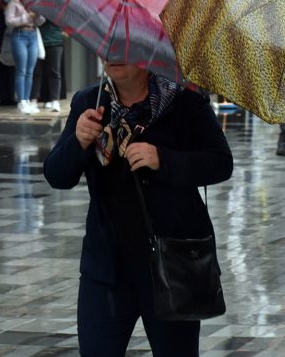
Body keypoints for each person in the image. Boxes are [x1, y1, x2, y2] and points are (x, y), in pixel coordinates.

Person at [43, 63, 233, 356]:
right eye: (112, 47)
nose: (116, 56)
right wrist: (78, 142)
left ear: (147, 54)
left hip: (171, 267)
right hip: (107, 267)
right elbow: (57, 175)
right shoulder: (89, 103)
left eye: (127, 47)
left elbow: (221, 162)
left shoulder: (185, 102)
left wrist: (163, 159)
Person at [4, 0, 45, 114]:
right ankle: (21, 101)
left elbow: (41, 21)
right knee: (21, 70)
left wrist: (38, 15)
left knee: (30, 71)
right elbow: (9, 21)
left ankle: (27, 100)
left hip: (33, 35)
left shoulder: (34, 3)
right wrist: (27, 16)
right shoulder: (13, 1)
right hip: (19, 35)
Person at [30, 19, 64, 112]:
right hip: (37, 40)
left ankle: (55, 101)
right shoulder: (37, 6)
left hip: (55, 41)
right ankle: (34, 101)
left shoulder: (58, 8)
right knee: (36, 72)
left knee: (55, 72)